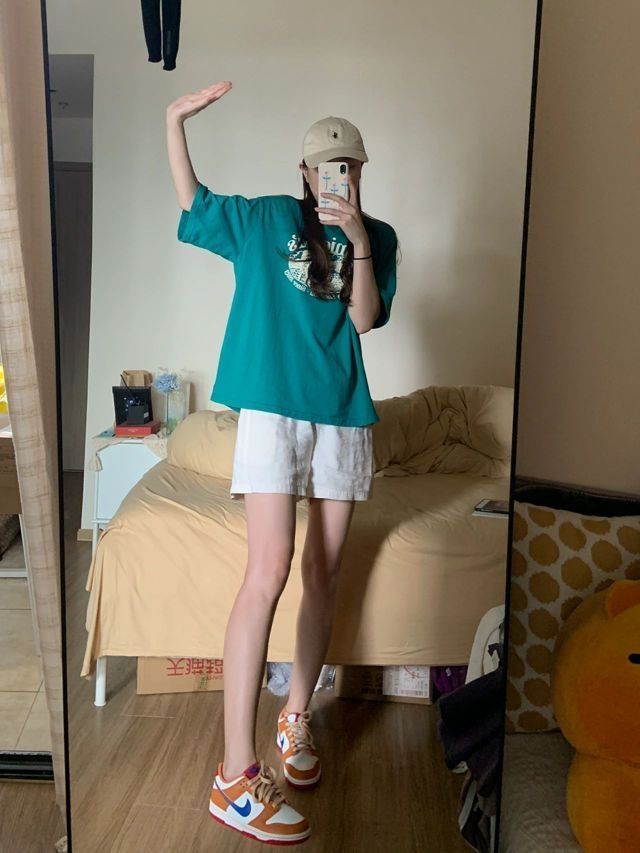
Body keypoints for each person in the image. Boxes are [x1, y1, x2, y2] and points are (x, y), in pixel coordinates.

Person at [166, 80, 398, 845]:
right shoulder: (266, 218)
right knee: (267, 568)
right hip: (272, 407)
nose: (339, 177)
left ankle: (295, 716)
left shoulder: (379, 237)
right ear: (304, 172)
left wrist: (358, 236)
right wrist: (175, 123)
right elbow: (195, 201)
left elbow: (365, 318)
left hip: (343, 415)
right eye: (328, 167)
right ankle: (234, 775)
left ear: (360, 171)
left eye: (349, 167)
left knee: (324, 570)